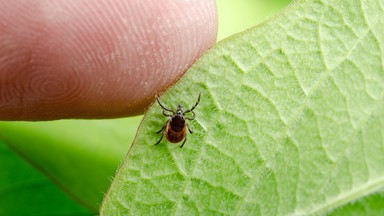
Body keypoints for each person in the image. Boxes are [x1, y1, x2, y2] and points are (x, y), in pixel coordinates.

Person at [0, 0, 217, 120]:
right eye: (179, 114)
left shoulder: (172, 119)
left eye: (177, 114)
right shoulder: (183, 119)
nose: (178, 114)